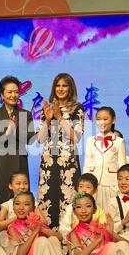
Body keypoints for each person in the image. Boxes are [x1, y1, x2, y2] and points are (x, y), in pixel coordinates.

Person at [37, 73, 84, 229]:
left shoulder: (77, 108)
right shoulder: (47, 109)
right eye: (58, 85)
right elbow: (40, 138)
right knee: (48, 200)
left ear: (70, 88)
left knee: (68, 201)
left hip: (68, 164)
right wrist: (49, 118)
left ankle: (68, 246)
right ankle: (49, 242)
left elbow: (76, 137)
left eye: (64, 85)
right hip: (49, 163)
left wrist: (59, 116)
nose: (61, 89)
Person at [0, 76, 35, 213]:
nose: (13, 95)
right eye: (10, 92)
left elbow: (31, 139)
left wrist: (15, 129)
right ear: (2, 94)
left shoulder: (26, 114)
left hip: (18, 161)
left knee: (21, 198)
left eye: (16, 92)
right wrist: (6, 134)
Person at [7, 191, 67, 255]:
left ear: (33, 209)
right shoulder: (12, 228)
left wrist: (40, 228)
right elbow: (21, 254)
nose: (21, 208)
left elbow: (59, 237)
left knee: (52, 239)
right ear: (13, 207)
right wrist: (35, 233)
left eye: (26, 204)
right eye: (17, 204)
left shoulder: (37, 222)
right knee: (42, 240)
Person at [83, 106, 126, 207]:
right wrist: (85, 185)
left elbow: (122, 166)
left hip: (111, 183)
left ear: (113, 120)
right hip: (93, 184)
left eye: (105, 119)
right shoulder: (90, 140)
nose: (102, 122)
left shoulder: (119, 141)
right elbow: (86, 164)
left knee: (110, 212)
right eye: (98, 119)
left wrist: (119, 185)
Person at [104, 164, 129, 251]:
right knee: (123, 247)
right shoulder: (113, 202)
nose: (123, 182)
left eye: (127, 179)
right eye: (120, 179)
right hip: (119, 238)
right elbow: (109, 230)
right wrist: (123, 221)